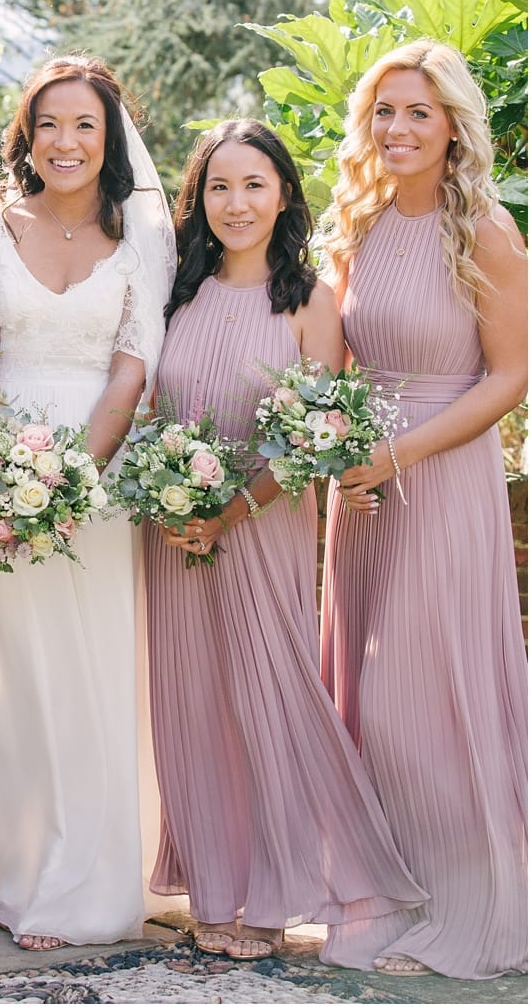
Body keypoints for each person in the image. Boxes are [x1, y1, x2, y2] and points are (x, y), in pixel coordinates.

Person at [145, 120, 427, 962]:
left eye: (254, 185)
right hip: (172, 531)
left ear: (283, 196)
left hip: (260, 528)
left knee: (267, 700)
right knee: (191, 706)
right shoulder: (175, 290)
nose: (236, 204)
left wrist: (232, 508)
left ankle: (273, 900)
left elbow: (310, 435)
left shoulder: (311, 302)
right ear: (198, 201)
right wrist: (169, 501)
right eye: (219, 188)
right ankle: (216, 893)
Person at [0, 54, 175, 951]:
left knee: (89, 670)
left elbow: (134, 365)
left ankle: (85, 878)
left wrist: (76, 473)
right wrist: (12, 466)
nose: (66, 141)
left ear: (111, 137)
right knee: (14, 678)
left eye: (84, 124)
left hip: (100, 477)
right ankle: (12, 869)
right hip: (1, 474)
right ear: (27, 136)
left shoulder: (143, 240)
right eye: (49, 124)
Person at [319, 40, 527, 979]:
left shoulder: (479, 228)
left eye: (417, 113)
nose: (397, 130)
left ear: (452, 127)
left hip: (439, 474)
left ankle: (467, 908)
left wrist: (397, 452)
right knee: (363, 699)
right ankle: (392, 898)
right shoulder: (355, 224)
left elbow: (513, 374)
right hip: (358, 487)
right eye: (384, 112)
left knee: (421, 700)